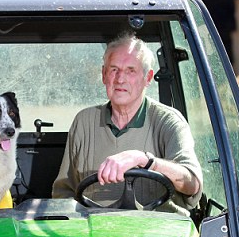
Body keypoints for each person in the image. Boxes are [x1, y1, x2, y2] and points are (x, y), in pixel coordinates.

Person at [52, 33, 202, 215]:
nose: (120, 79)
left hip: (157, 235)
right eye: (114, 69)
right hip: (94, 234)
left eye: (131, 70)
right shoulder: (84, 122)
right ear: (104, 75)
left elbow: (192, 184)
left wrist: (145, 160)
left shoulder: (168, 122)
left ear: (147, 78)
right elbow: (63, 194)